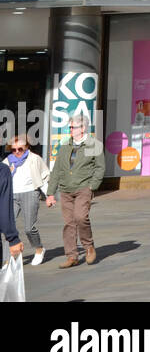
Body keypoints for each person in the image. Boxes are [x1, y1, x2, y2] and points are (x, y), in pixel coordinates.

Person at [45, 113, 105, 268]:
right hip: (66, 190)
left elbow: (100, 168)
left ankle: (89, 247)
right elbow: (57, 170)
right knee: (69, 223)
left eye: (73, 127)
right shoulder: (66, 145)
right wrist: (50, 193)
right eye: (70, 127)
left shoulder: (94, 145)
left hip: (83, 188)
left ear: (83, 128)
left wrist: (93, 185)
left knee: (80, 217)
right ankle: (72, 256)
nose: (71, 129)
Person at [6, 135, 49, 265]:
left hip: (30, 193)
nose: (17, 152)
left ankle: (39, 249)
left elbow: (44, 177)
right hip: (12, 196)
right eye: (14, 149)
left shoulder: (34, 159)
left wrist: (49, 196)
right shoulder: (8, 161)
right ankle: (10, 254)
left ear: (27, 147)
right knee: (6, 226)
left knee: (29, 228)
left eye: (20, 149)